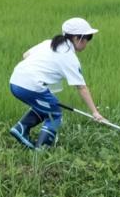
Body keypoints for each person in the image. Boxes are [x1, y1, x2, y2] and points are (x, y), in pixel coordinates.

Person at [7, 17, 102, 149]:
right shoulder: (69, 57)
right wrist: (95, 112)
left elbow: (25, 55)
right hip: (30, 86)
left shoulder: (48, 43)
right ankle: (42, 149)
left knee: (48, 105)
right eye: (88, 37)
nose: (88, 42)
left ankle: (21, 128)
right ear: (76, 38)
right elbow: (81, 87)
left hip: (15, 81)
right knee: (55, 113)